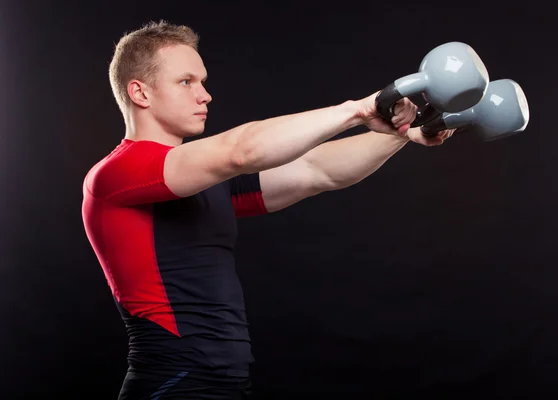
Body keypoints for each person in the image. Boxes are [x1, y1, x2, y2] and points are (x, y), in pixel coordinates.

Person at [81, 20, 455, 400]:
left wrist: (402, 135)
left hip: (227, 383)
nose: (205, 95)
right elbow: (241, 150)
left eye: (203, 81)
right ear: (140, 92)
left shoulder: (205, 181)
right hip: (172, 385)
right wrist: (357, 111)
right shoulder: (115, 176)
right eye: (186, 81)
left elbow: (317, 170)